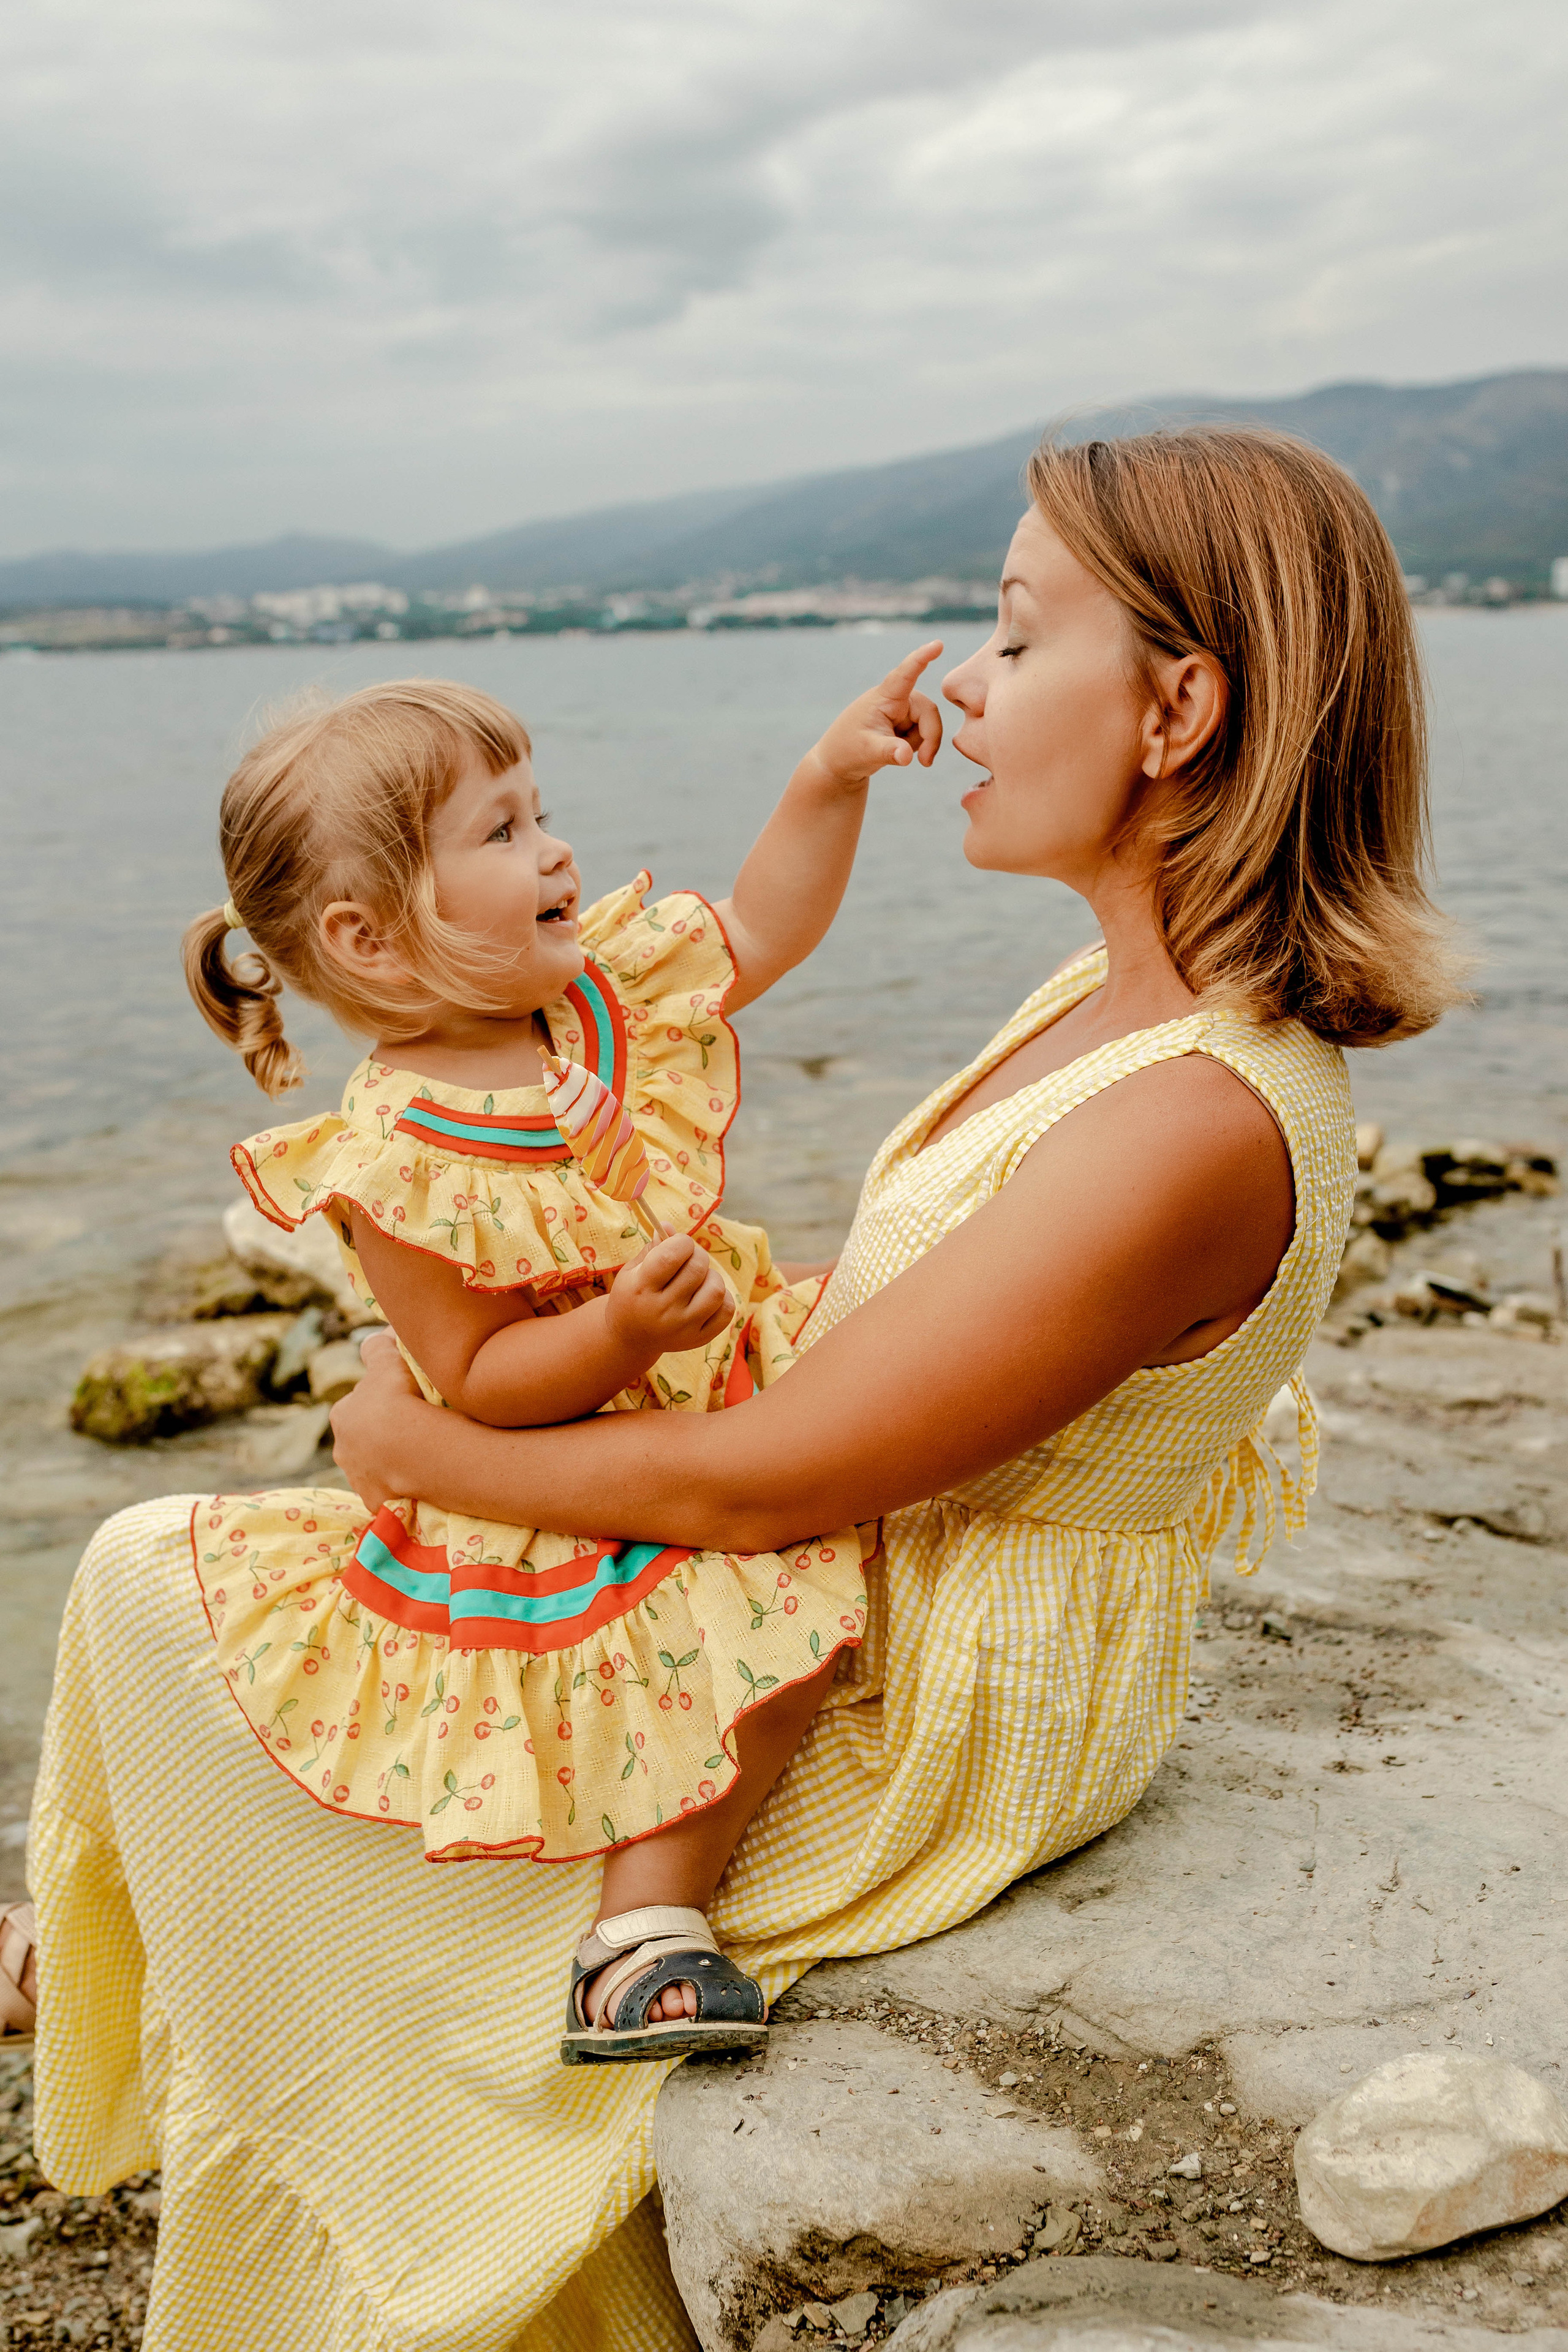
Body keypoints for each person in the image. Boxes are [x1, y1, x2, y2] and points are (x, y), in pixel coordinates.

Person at [31, 428, 1457, 2350]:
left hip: (922, 1677)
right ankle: (132, 1960)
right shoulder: (1108, 1002)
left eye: (1020, 640)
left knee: (161, 1585)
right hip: (848, 1544)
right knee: (192, 1591)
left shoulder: (1192, 1119)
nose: (965, 682)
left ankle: (316, 2102)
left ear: (1181, 708)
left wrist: (412, 1437)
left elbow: (761, 1493)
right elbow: (878, 1361)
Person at [178, 661, 943, 2060]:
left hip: (695, 1376)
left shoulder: (594, 996)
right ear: (369, 940)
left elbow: (761, 926)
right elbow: (473, 1379)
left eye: (540, 813)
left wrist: (826, 779)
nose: (557, 851)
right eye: (502, 833)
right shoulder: (397, 1155)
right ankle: (639, 1931)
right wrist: (617, 1332)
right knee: (723, 1636)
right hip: (555, 1453)